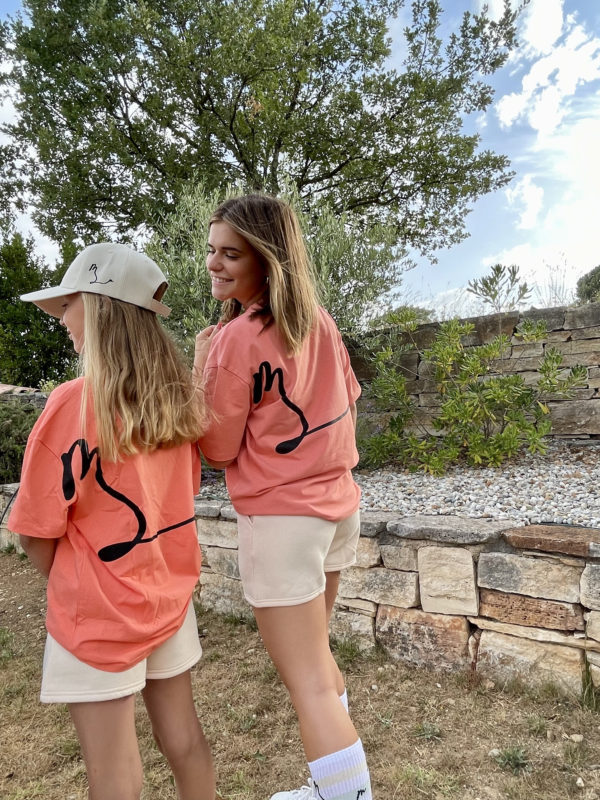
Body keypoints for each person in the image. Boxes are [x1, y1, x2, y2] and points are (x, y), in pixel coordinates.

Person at [8, 243, 216, 800]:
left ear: (98, 307)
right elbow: (179, 498)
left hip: (96, 618)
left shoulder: (72, 405)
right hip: (167, 600)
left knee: (114, 775)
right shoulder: (177, 405)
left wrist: (79, 579)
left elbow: (34, 530)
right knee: (186, 742)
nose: (62, 321)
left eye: (68, 304)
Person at [194, 194, 372, 800]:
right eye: (211, 250)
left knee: (309, 683)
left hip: (282, 520)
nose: (213, 264)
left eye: (230, 254)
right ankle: (333, 785)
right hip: (338, 508)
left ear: (265, 261)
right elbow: (348, 404)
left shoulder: (235, 340)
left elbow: (216, 448)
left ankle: (346, 794)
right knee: (317, 663)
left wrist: (200, 371)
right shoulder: (319, 320)